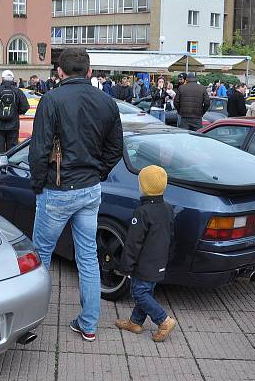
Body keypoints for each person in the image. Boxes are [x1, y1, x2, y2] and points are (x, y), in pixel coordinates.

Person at [29, 48, 123, 342]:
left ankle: (30, 319)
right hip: (89, 189)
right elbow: (115, 149)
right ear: (90, 72)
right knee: (88, 257)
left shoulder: (52, 99)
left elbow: (39, 148)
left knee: (41, 255)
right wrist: (97, 173)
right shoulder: (107, 101)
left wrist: (38, 183)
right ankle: (89, 323)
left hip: (58, 189)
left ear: (59, 72)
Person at [115, 165, 177, 342]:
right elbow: (171, 236)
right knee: (146, 292)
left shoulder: (142, 212)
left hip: (144, 264)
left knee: (139, 293)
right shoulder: (167, 208)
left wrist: (126, 266)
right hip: (159, 262)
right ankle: (135, 322)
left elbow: (133, 243)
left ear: (144, 187)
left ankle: (163, 320)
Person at [0, 70, 30, 153]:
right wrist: (16, 112)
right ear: (13, 79)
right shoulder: (18, 91)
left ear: (2, 79)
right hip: (13, 125)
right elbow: (25, 107)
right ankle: (11, 165)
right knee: (12, 149)